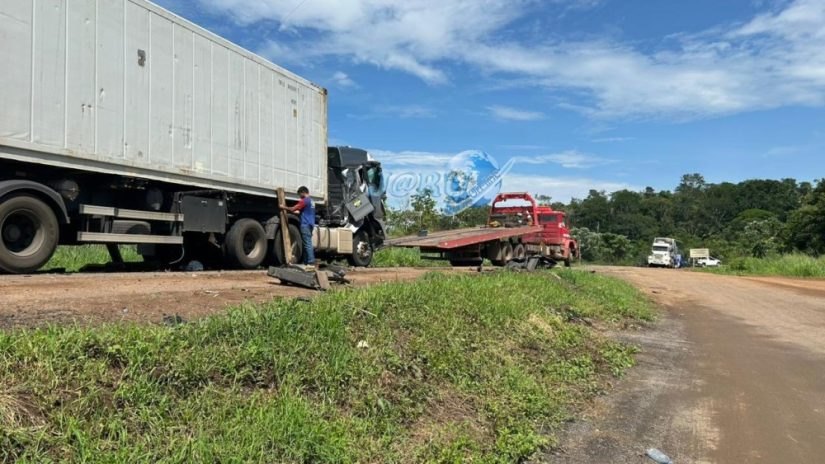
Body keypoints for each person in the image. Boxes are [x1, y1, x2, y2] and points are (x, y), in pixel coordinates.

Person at [287, 186, 315, 267]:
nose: (299, 196)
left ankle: (310, 262)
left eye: (299, 194)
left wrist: (283, 207)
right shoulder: (311, 201)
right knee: (307, 243)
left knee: (307, 243)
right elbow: (303, 212)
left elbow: (293, 208)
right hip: (311, 224)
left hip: (305, 224)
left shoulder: (304, 201)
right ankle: (306, 262)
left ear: (303, 192)